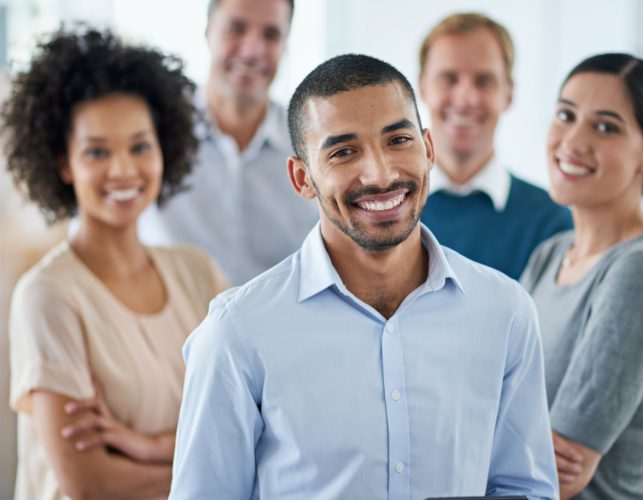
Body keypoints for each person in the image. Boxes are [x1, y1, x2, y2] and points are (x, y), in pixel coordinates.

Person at [170, 54, 558, 500]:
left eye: (398, 140)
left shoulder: (504, 311)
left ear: (428, 150)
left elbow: (525, 490)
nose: (381, 173)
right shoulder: (236, 333)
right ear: (302, 178)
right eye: (343, 152)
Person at [3, 27, 228, 500]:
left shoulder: (198, 272)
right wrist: (208, 467)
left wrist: (147, 448)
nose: (124, 170)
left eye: (140, 146)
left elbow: (245, 424)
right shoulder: (47, 295)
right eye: (97, 151)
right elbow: (92, 484)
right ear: (64, 163)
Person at [520, 53, 643, 499]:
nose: (572, 141)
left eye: (605, 126)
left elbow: (554, 477)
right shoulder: (551, 255)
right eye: (566, 115)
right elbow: (485, 387)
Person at [138, 0, 318, 284]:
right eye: (236, 28)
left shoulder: (312, 144)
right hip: (172, 325)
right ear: (208, 31)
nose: (252, 50)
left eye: (271, 35)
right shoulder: (149, 135)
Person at [418, 13, 572, 279]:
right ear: (422, 87)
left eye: (483, 80)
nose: (465, 98)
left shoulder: (550, 221)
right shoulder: (386, 209)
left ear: (509, 93)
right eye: (449, 79)